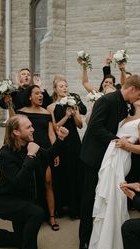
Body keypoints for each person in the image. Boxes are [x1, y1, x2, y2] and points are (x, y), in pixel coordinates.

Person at [79, 74, 140, 249]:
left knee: (103, 199)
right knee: (89, 199)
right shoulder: (106, 100)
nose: (138, 98)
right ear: (131, 89)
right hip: (93, 158)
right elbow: (95, 127)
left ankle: (99, 236)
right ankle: (84, 240)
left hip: (109, 159)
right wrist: (117, 140)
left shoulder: (124, 105)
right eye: (138, 95)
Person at [88, 92, 140, 249]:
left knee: (115, 198)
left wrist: (126, 145)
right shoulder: (124, 118)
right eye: (139, 95)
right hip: (111, 158)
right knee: (107, 200)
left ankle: (115, 247)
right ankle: (103, 246)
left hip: (122, 159)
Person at [0, 114, 69, 249]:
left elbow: (48, 156)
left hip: (23, 199)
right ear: (16, 132)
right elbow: (18, 182)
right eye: (28, 127)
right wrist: (30, 156)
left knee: (21, 239)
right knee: (36, 213)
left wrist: (60, 139)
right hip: (5, 201)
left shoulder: (29, 146)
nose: (33, 129)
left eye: (32, 126)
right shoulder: (4, 155)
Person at [17, 85, 59, 230]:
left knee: (48, 182)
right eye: (37, 93)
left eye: (41, 93)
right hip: (28, 151)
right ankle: (32, 215)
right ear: (29, 96)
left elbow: (51, 133)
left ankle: (52, 217)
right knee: (30, 184)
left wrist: (55, 151)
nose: (40, 95)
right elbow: (14, 128)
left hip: (45, 151)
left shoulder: (46, 112)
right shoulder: (21, 112)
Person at [47, 74, 84, 219]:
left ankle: (76, 208)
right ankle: (62, 207)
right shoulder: (51, 107)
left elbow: (80, 125)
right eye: (61, 86)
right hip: (61, 142)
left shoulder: (73, 103)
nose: (65, 88)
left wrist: (74, 114)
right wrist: (66, 116)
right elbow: (55, 127)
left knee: (76, 172)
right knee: (62, 174)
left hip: (74, 142)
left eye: (66, 86)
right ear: (55, 89)